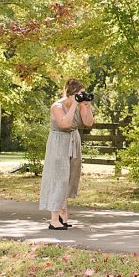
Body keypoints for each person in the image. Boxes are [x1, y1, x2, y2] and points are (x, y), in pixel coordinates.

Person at [39, 78, 94, 230]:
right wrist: (74, 105)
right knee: (59, 178)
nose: (82, 97)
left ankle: (63, 214)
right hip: (58, 142)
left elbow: (88, 123)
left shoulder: (81, 104)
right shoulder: (57, 106)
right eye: (80, 94)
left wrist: (87, 107)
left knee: (69, 178)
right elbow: (65, 124)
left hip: (73, 140)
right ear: (71, 94)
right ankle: (54, 219)